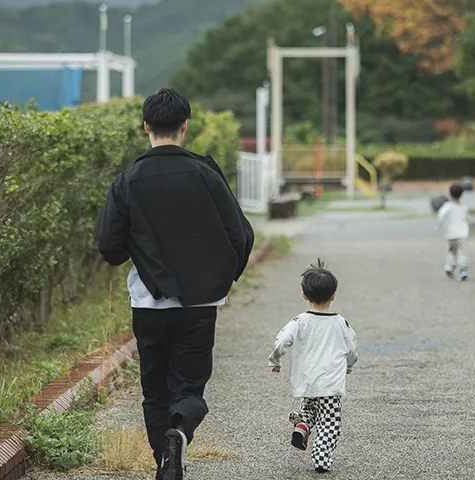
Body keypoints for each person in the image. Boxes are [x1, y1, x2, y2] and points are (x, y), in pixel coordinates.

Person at [95, 87, 254, 480]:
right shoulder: (205, 174)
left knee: (154, 389)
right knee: (190, 387)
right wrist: (219, 279)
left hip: (148, 303)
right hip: (201, 304)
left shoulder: (128, 180)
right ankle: (180, 431)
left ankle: (165, 463)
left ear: (146, 126)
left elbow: (109, 246)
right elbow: (241, 236)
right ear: (185, 126)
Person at [268, 259, 358, 473]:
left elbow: (281, 341)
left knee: (309, 409)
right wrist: (350, 364)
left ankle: (302, 425)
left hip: (307, 380)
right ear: (334, 295)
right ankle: (321, 457)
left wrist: (275, 360)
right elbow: (352, 347)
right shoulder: (340, 322)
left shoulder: (299, 321)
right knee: (330, 422)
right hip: (330, 383)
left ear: (304, 295)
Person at [435, 183, 470, 281]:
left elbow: (441, 216)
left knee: (452, 251)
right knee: (463, 253)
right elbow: (468, 218)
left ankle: (449, 266)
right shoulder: (464, 207)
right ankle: (463, 270)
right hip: (462, 233)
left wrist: (438, 226)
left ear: (450, 194)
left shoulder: (447, 206)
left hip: (451, 234)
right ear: (462, 195)